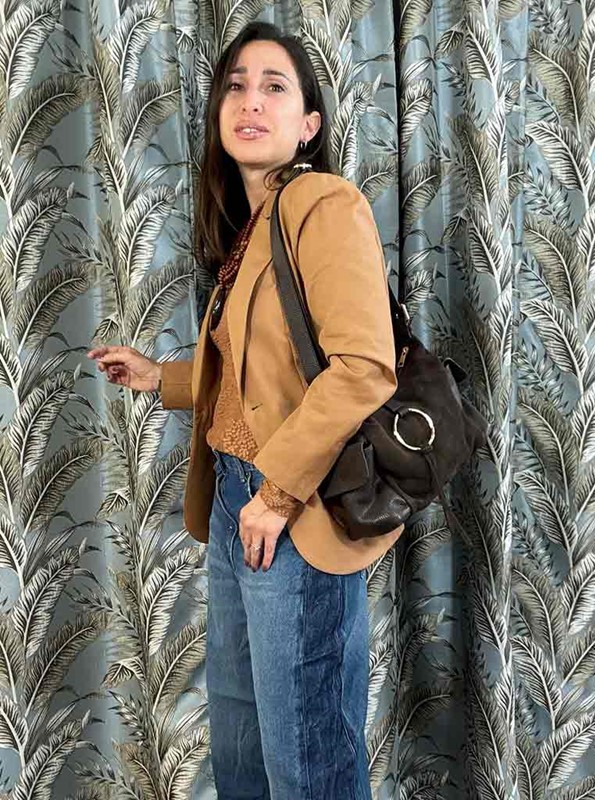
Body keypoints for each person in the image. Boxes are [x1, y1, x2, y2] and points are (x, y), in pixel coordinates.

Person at [88, 20, 403, 799]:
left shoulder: (322, 203)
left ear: (309, 124)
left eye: (274, 86)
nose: (250, 100)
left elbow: (365, 368)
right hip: (238, 500)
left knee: (305, 763)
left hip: (291, 509)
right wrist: (161, 377)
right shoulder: (256, 224)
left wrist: (277, 493)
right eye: (236, 86)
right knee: (241, 749)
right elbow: (260, 378)